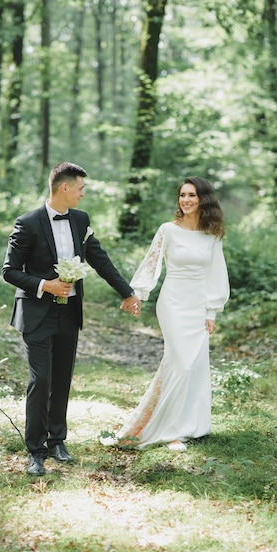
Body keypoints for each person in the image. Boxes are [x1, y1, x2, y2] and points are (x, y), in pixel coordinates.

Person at [2, 162, 141, 476]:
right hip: (37, 313)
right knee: (41, 380)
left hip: (69, 311)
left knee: (62, 378)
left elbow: (99, 258)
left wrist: (127, 292)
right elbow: (9, 271)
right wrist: (44, 285)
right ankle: (35, 452)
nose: (83, 193)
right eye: (80, 188)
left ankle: (57, 441)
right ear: (63, 187)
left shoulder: (80, 220)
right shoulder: (28, 223)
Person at [100, 177, 230, 452]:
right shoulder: (168, 230)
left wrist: (212, 312)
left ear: (203, 199)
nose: (186, 200)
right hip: (173, 303)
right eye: (182, 195)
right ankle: (171, 431)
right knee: (180, 362)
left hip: (198, 306)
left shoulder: (212, 235)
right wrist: (138, 294)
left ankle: (193, 425)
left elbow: (216, 274)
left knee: (195, 365)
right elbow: (151, 264)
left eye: (192, 195)